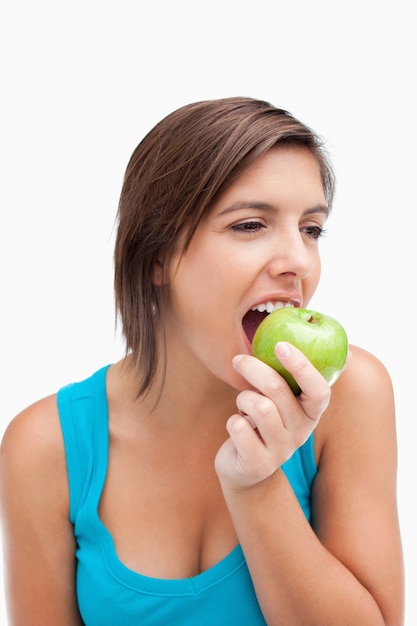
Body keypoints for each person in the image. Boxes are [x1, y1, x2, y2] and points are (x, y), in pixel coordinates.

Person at [0, 97, 404, 625]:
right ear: (156, 259)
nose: (299, 263)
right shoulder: (45, 447)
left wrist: (256, 484)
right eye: (250, 225)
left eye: (310, 229)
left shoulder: (347, 394)